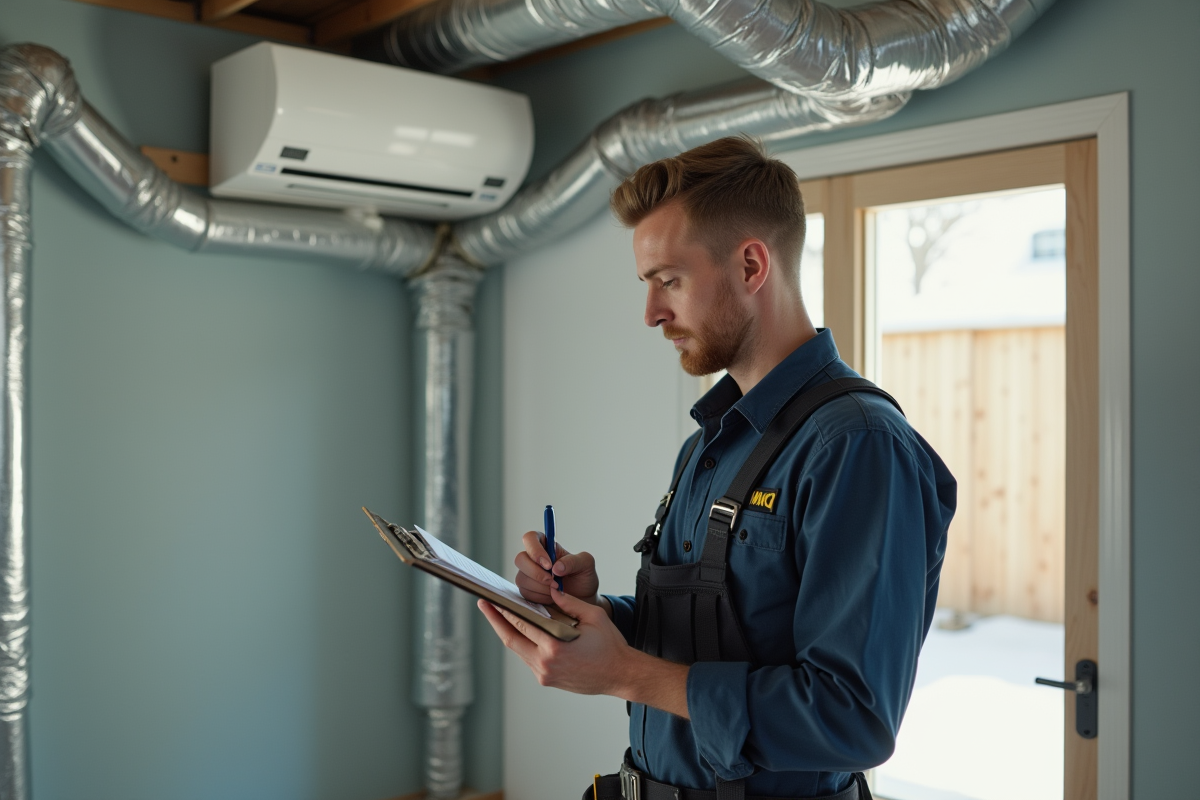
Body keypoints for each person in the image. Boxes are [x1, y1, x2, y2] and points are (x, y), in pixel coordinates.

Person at [476, 136, 957, 800]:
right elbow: (720, 632)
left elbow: (853, 718)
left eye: (668, 281)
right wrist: (595, 613)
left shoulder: (859, 447)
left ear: (752, 264)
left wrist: (625, 676)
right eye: (647, 286)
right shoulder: (712, 441)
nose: (650, 315)